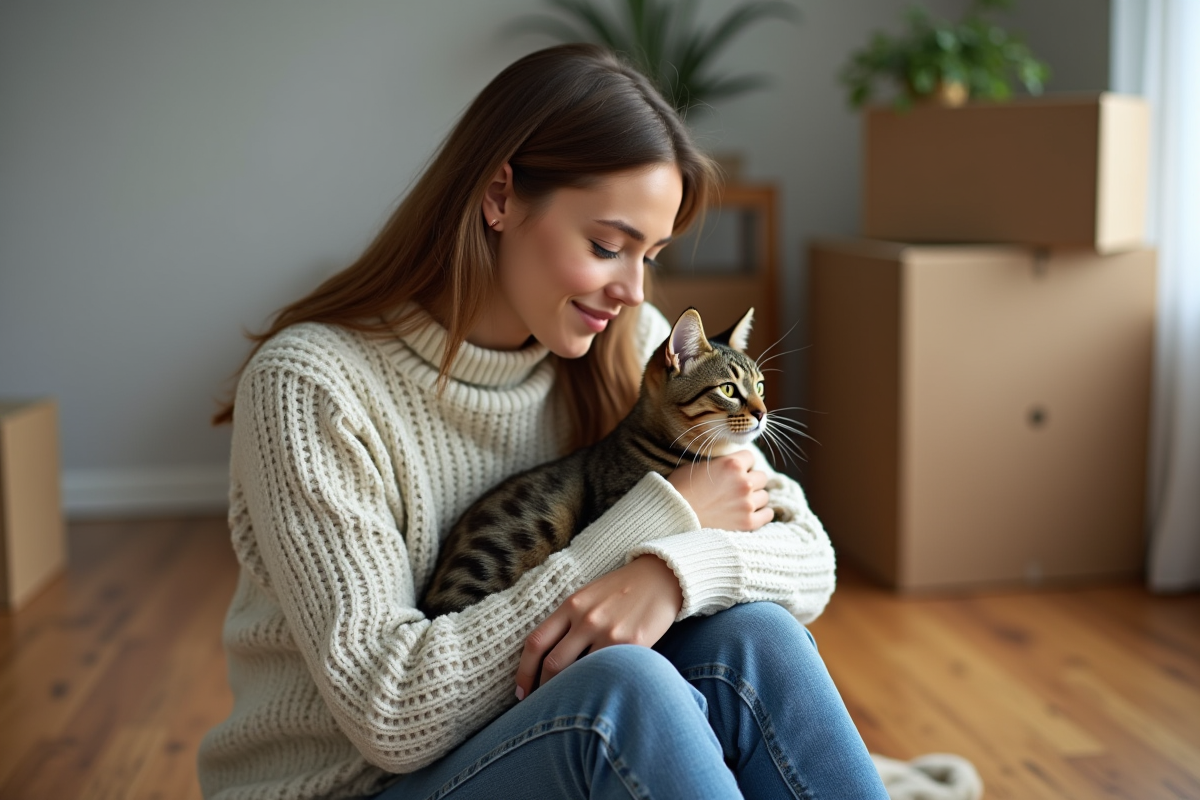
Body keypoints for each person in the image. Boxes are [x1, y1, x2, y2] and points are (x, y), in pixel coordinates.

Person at [197, 43, 889, 800]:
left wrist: (671, 575)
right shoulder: (311, 386)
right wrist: (654, 533)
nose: (634, 290)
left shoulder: (629, 342)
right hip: (356, 786)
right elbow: (392, 712)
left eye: (651, 256)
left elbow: (810, 560)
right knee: (627, 694)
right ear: (500, 197)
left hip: (508, 734)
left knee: (759, 639)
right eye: (607, 246)